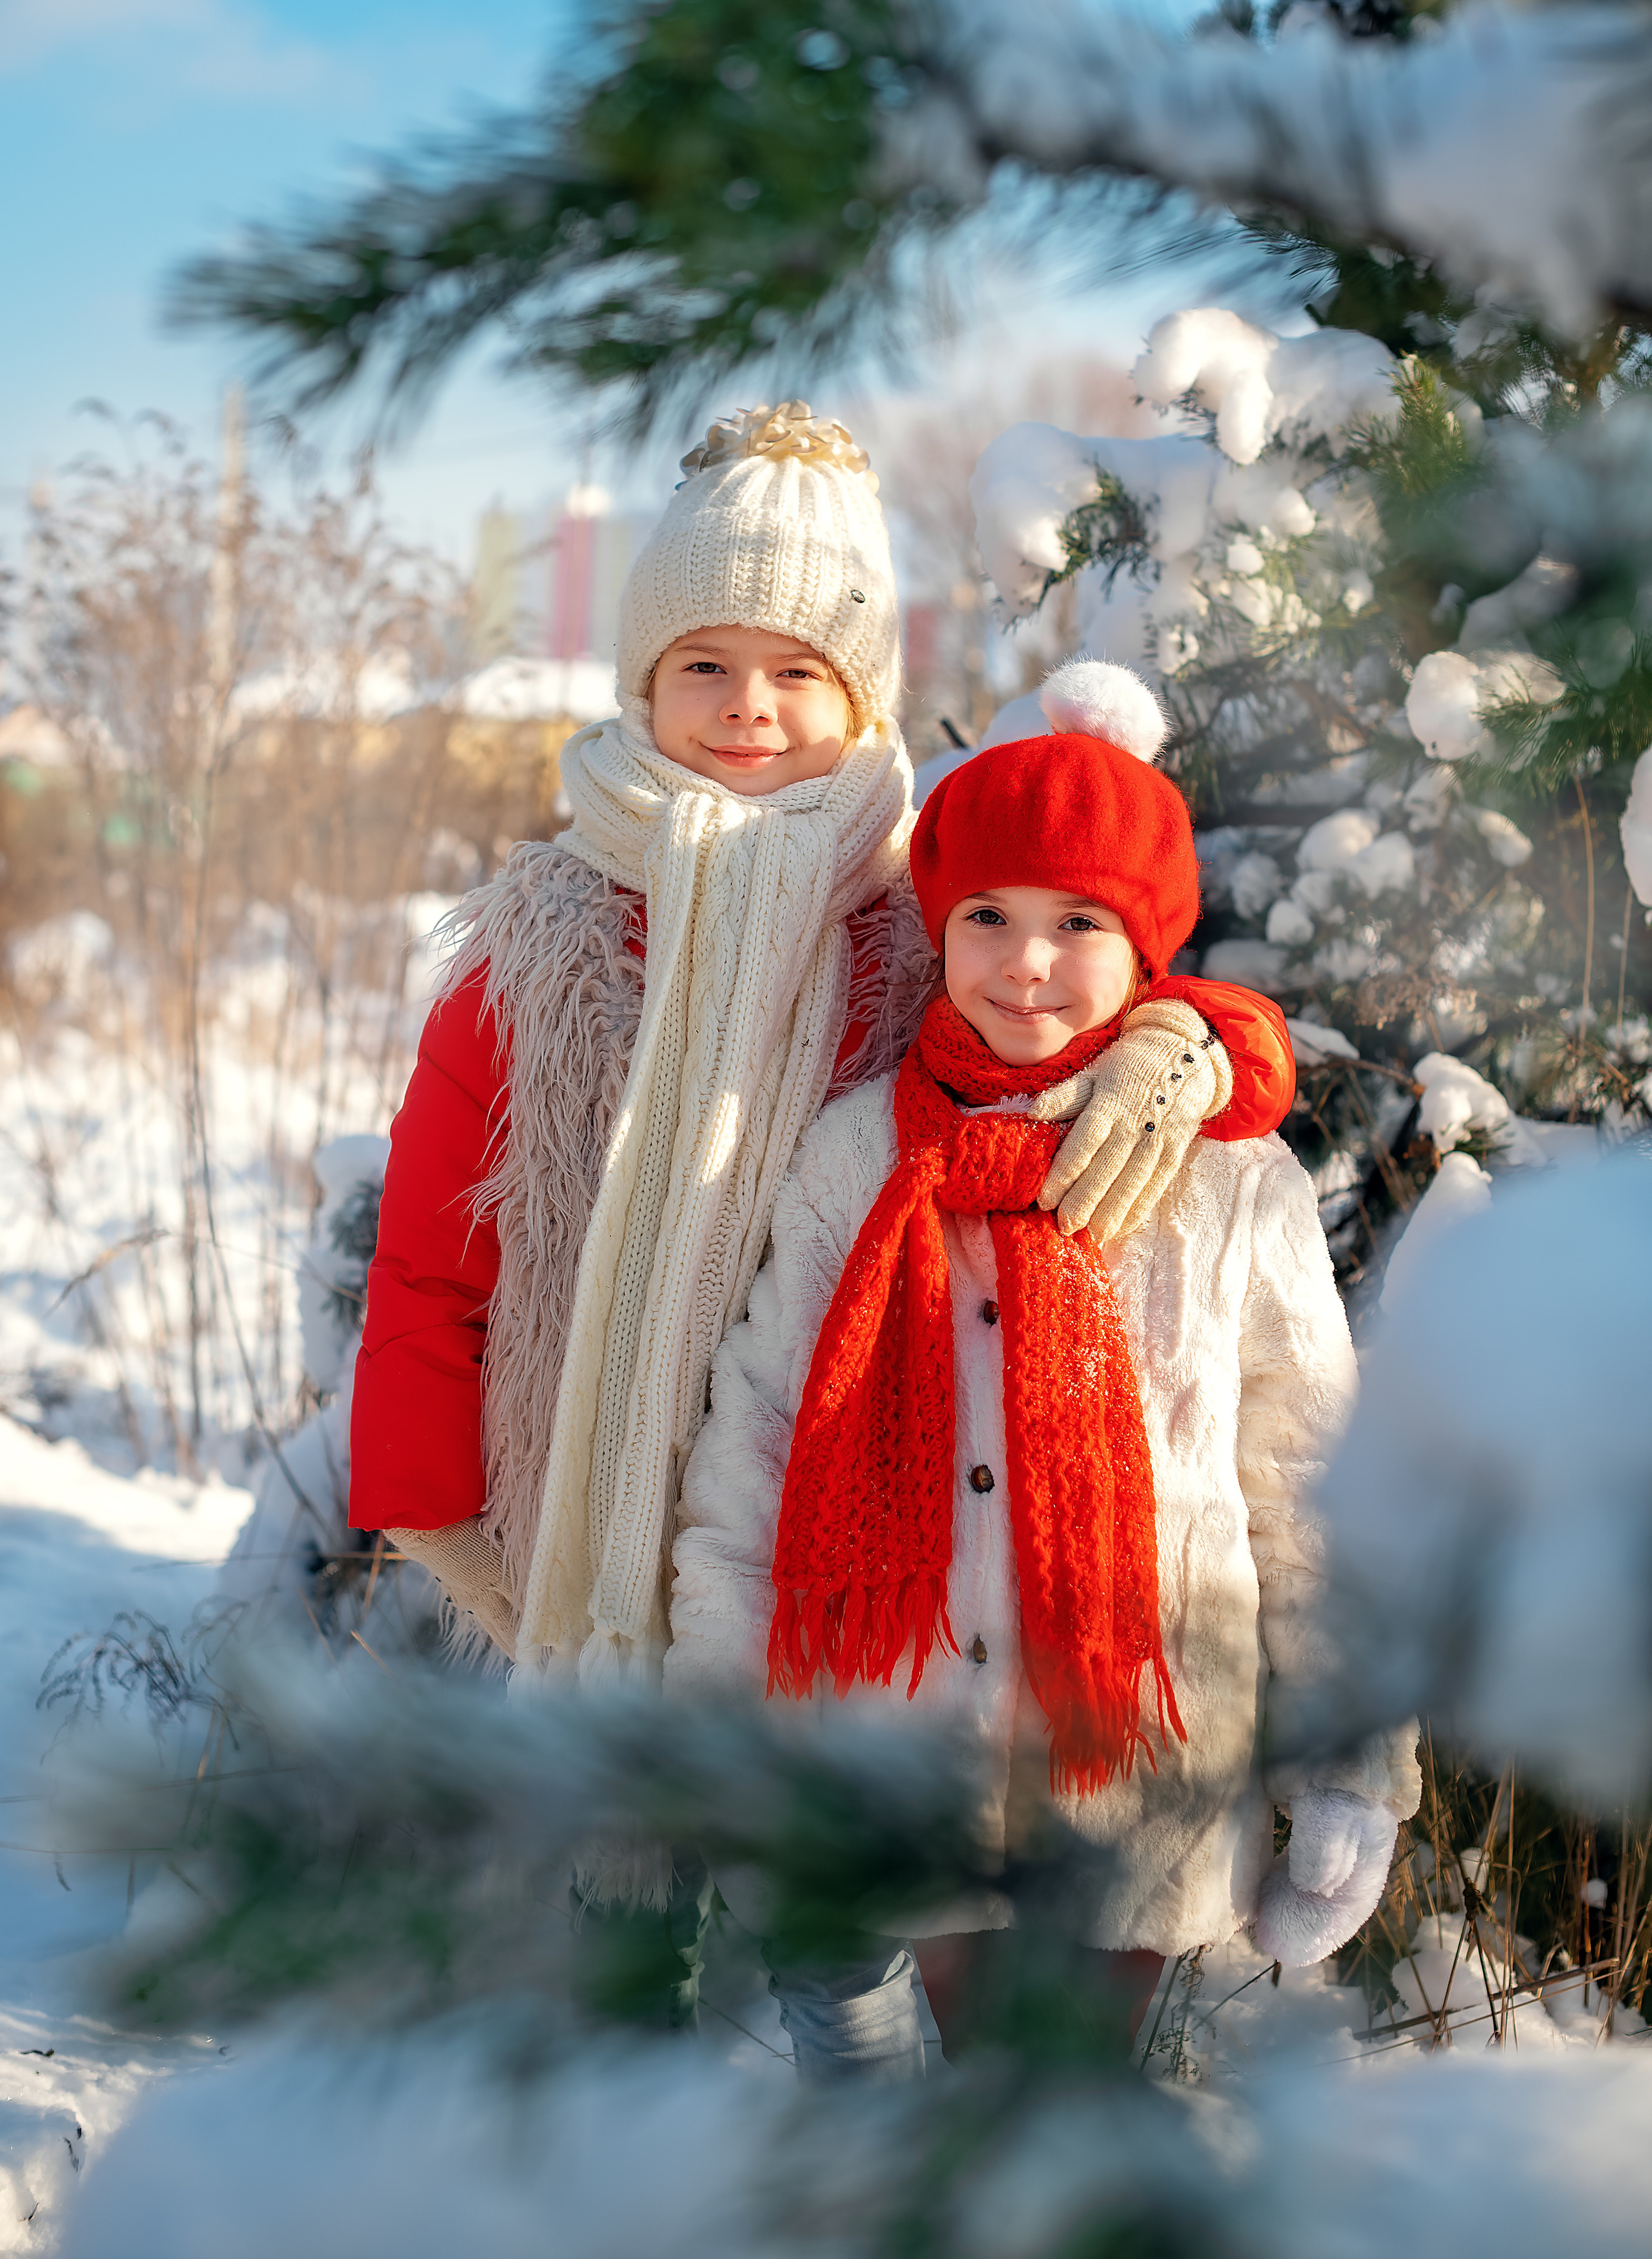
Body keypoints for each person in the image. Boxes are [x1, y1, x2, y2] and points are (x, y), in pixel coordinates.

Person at [347, 405, 1293, 2011]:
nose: (747, 709)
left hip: (844, 1480)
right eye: (702, 665)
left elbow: (1075, 985)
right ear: (640, 680)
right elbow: (436, 1248)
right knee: (616, 1888)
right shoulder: (546, 934)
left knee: (821, 1907)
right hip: (587, 1484)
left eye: (795, 669)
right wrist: (440, 1510)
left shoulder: (918, 905)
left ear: (858, 686)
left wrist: (1190, 1040)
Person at [665, 661, 1420, 2080]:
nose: (1024, 962)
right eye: (987, 919)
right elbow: (755, 1447)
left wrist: (1349, 1765)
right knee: (916, 2121)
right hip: (895, 1748)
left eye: (1076, 923)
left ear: (1147, 953)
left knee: (1063, 2110)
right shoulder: (858, 1156)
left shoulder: (1226, 1181)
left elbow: (1314, 1489)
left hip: (1130, 1768)